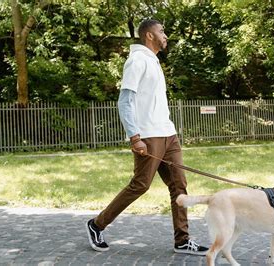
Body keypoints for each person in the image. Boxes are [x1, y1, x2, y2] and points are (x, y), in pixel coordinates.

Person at [85, 19, 208, 256]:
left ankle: (182, 240)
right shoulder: (137, 60)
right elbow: (125, 101)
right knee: (140, 185)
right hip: (149, 135)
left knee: (179, 185)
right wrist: (134, 136)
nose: (166, 34)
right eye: (162, 30)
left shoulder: (154, 61)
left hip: (168, 134)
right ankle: (96, 224)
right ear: (149, 35)